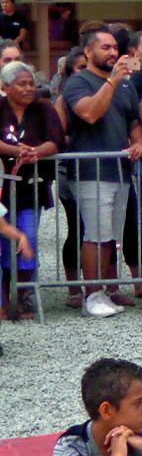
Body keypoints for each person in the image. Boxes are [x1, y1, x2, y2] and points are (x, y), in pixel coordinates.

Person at [64, 28, 142, 318]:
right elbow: (89, 113)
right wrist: (111, 81)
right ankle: (92, 294)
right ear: (88, 51)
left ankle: (107, 290)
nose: (112, 53)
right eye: (105, 48)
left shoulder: (126, 86)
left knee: (111, 235)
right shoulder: (78, 82)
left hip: (120, 170)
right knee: (95, 234)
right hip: (90, 170)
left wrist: (138, 141)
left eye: (114, 47)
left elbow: (133, 120)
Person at [0, 61, 59, 316]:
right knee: (3, 242)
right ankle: (3, 300)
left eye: (30, 84)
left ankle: (22, 296)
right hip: (2, 186)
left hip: (31, 186)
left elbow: (56, 140)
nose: (28, 89)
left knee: (28, 239)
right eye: (21, 84)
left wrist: (36, 151)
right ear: (5, 87)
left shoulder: (43, 107)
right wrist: (15, 150)